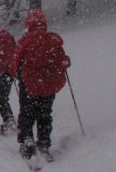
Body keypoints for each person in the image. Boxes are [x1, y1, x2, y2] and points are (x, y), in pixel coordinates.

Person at [9, 9, 71, 160]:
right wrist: (66, 62)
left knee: (26, 114)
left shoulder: (25, 40)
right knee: (45, 115)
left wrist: (15, 74)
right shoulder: (53, 40)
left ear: (28, 24)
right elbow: (63, 63)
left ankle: (27, 141)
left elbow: (14, 65)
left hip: (29, 85)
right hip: (49, 86)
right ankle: (43, 144)